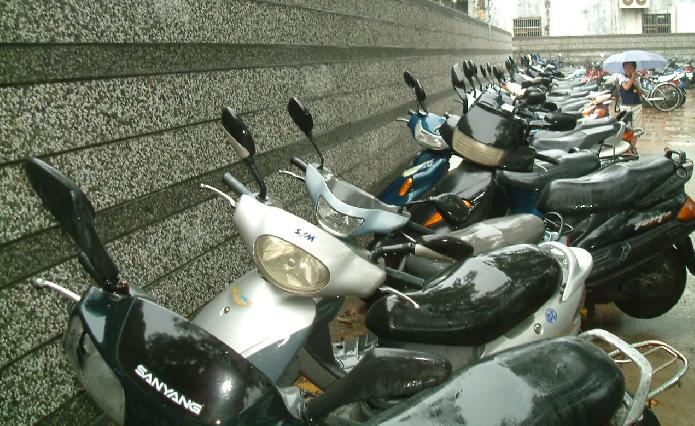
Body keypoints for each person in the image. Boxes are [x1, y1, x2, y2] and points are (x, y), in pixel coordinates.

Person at [618, 61, 644, 133]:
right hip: (625, 107)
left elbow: (641, 93)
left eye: (630, 68)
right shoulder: (622, 77)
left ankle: (633, 143)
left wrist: (636, 85)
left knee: (637, 129)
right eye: (626, 68)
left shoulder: (637, 79)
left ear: (634, 69)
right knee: (626, 129)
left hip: (636, 106)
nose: (628, 70)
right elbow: (626, 87)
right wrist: (632, 78)